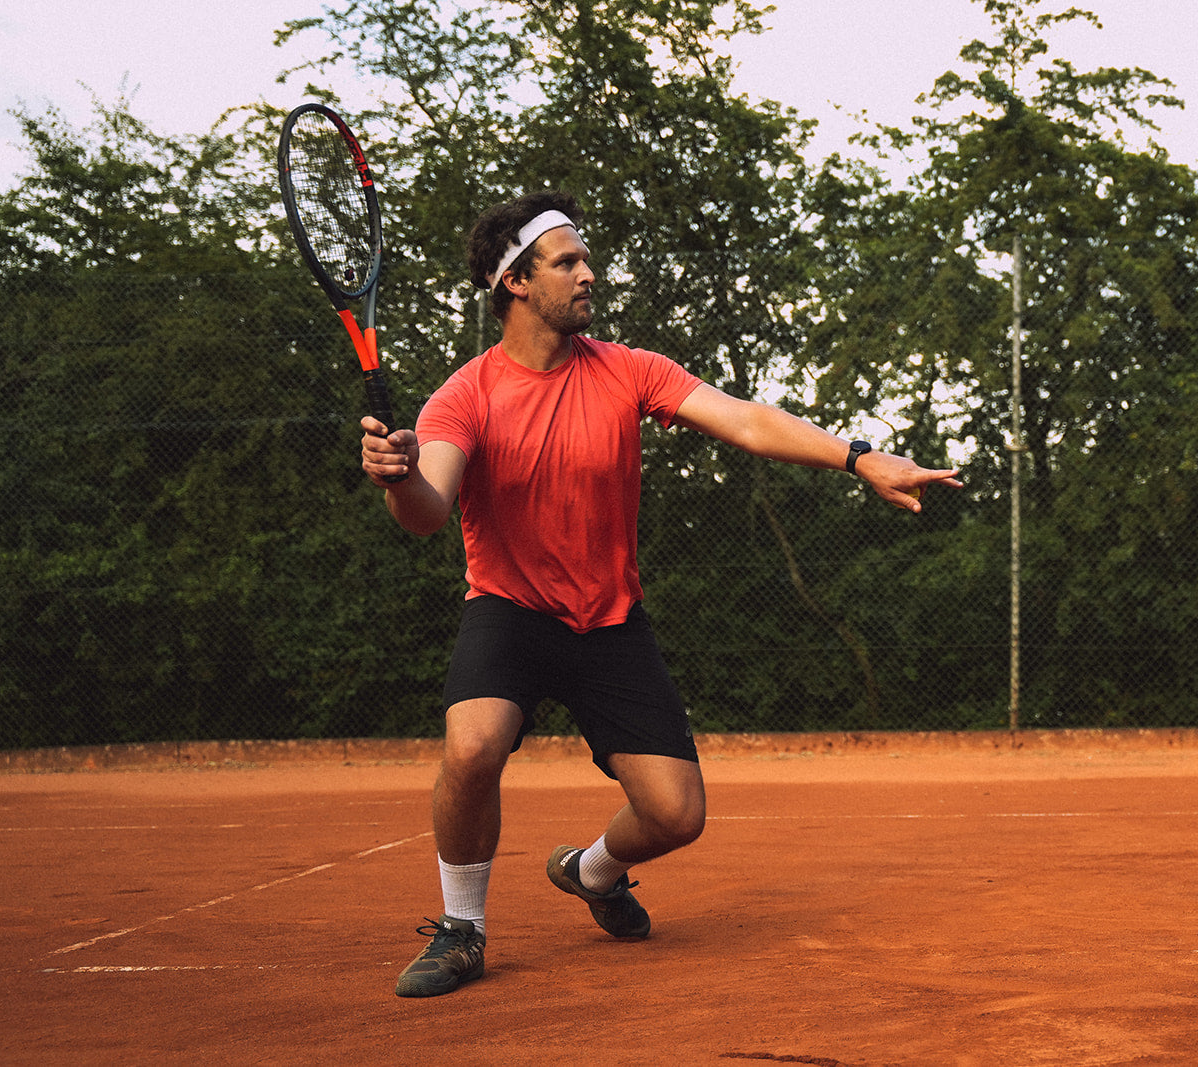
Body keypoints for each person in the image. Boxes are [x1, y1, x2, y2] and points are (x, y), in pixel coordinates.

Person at [362, 191, 962, 998]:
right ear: (515, 280)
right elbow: (428, 512)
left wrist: (860, 457)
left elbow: (744, 419)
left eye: (584, 258)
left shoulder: (627, 369)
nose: (588, 273)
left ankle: (593, 872)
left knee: (677, 816)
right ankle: (462, 928)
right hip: (510, 609)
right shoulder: (464, 397)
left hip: (610, 618)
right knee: (471, 747)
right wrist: (397, 478)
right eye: (567, 260)